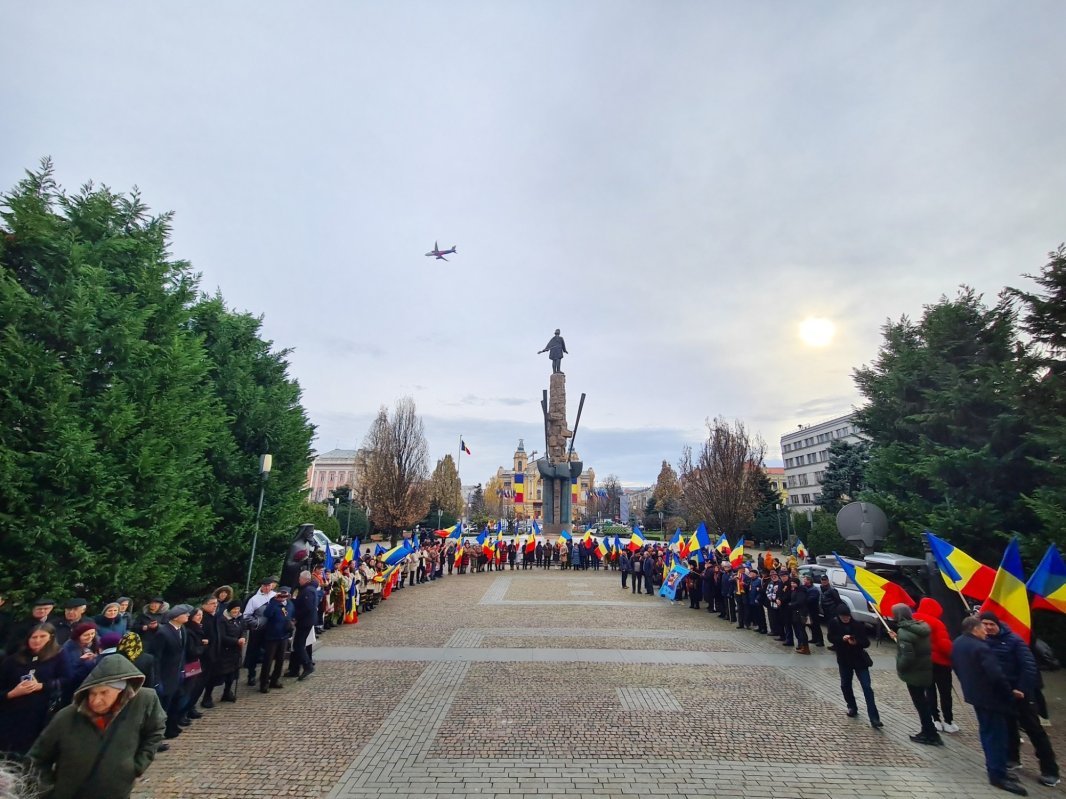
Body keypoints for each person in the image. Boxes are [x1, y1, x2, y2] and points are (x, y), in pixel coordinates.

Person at [29, 654, 166, 799]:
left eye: (104, 693)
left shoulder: (145, 701)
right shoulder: (66, 717)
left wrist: (137, 765)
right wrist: (47, 791)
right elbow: (35, 759)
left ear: (120, 691)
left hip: (117, 792)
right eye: (92, 693)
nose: (96, 700)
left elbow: (155, 730)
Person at [980, 612, 1060, 787]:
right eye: (984, 624)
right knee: (1009, 728)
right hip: (1002, 694)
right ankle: (1013, 758)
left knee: (1034, 731)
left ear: (998, 624)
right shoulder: (984, 642)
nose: (987, 627)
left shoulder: (1014, 641)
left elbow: (1028, 666)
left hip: (1021, 694)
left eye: (990, 624)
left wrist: (1021, 688)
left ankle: (1050, 770)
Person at [953, 616, 1027, 796]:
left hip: (976, 696)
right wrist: (1009, 693)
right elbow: (996, 675)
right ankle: (997, 775)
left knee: (987, 732)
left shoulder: (958, 643)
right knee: (996, 736)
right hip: (992, 699)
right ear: (974, 629)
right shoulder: (981, 647)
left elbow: (957, 668)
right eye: (982, 628)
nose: (985, 631)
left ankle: (996, 767)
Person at [0, 623, 69, 757]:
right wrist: (12, 693)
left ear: (51, 638)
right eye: (34, 637)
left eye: (42, 636)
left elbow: (67, 680)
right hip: (11, 716)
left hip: (40, 716)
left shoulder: (59, 656)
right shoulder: (12, 660)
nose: (37, 641)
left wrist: (42, 686)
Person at [890, 604, 941, 745]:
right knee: (923, 703)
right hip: (924, 670)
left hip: (913, 673)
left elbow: (907, 657)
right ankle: (929, 731)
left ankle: (929, 733)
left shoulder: (904, 632)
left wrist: (899, 666)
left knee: (920, 704)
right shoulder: (921, 627)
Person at [827, 605, 882, 728]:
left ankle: (874, 718)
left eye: (847, 616)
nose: (846, 619)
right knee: (845, 685)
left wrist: (856, 642)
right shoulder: (834, 623)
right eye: (843, 617)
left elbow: (866, 643)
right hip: (844, 660)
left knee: (867, 688)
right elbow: (831, 637)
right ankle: (851, 706)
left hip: (859, 660)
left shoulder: (857, 625)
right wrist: (842, 639)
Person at [913, 597, 957, 733]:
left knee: (930, 691)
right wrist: (953, 655)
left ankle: (935, 719)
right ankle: (948, 721)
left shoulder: (913, 621)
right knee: (945, 693)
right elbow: (944, 644)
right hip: (941, 664)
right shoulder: (937, 623)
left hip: (923, 662)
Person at [152, 604, 192, 740]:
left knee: (175, 702)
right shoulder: (163, 632)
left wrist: (183, 669)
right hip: (166, 675)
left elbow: (182, 652)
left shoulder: (182, 629)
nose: (188, 616)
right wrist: (157, 680)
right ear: (176, 617)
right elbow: (156, 658)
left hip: (178, 673)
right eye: (185, 614)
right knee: (164, 707)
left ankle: (171, 727)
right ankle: (158, 736)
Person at [243, 576, 278, 687]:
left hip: (271, 629)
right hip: (258, 630)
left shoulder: (275, 596)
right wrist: (256, 623)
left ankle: (265, 674)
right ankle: (251, 674)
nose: (267, 588)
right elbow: (246, 615)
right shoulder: (254, 599)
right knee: (254, 652)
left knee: (269, 653)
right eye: (265, 586)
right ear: (261, 587)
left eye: (269, 586)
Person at [259, 587, 294, 694]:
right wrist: (275, 601)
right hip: (272, 636)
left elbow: (292, 614)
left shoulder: (289, 604)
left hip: (284, 635)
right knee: (268, 660)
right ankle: (264, 683)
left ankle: (275, 679)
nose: (283, 597)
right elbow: (267, 614)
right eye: (282, 594)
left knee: (280, 659)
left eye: (285, 594)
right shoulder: (273, 603)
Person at [288, 572, 317, 681]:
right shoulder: (308, 589)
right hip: (307, 621)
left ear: (304, 579)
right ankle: (294, 669)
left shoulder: (307, 591)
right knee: (298, 644)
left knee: (298, 645)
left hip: (305, 621)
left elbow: (307, 608)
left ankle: (307, 665)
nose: (299, 580)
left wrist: (296, 618)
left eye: (300, 578)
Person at [59, 621, 99, 702]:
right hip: (73, 686)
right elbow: (68, 670)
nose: (90, 637)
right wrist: (80, 660)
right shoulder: (69, 647)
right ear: (78, 636)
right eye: (86, 635)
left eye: (92, 633)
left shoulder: (95, 642)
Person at [214, 601, 245, 702]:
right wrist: (236, 641)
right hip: (225, 651)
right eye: (234, 609)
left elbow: (243, 630)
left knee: (232, 674)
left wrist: (243, 638)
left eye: (238, 609)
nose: (236, 611)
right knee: (220, 674)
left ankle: (227, 692)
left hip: (235, 651)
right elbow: (222, 636)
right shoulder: (222, 620)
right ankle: (208, 695)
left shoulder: (239, 619)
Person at [788, 576, 810, 654]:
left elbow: (800, 602)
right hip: (796, 612)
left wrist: (791, 604)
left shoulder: (801, 591)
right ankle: (802, 646)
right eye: (791, 583)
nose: (792, 584)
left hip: (800, 613)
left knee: (802, 630)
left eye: (794, 583)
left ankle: (805, 648)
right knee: (799, 630)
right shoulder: (795, 590)